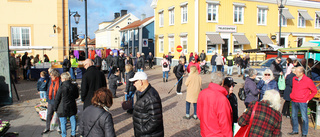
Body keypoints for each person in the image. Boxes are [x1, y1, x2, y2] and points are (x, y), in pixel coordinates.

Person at [197, 71, 233, 136]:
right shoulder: (222, 99)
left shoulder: (202, 93)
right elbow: (225, 123)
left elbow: (199, 114)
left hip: (205, 132)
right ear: (222, 82)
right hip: (217, 134)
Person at [129, 72, 164, 136]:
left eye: (135, 81)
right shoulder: (141, 93)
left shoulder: (151, 97)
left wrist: (142, 130)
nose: (133, 84)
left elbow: (155, 120)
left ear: (141, 82)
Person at [288, 66, 317, 137]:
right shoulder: (294, 79)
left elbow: (314, 91)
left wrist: (308, 99)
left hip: (303, 101)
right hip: (294, 100)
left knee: (304, 118)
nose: (295, 73)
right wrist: (292, 95)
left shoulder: (308, 80)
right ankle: (295, 130)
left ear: (301, 73)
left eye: (297, 72)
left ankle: (304, 133)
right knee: (294, 116)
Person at [54, 72, 79, 137]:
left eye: (61, 78)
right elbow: (76, 96)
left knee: (63, 122)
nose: (61, 79)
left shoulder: (61, 88)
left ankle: (64, 135)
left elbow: (57, 99)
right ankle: (73, 134)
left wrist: (55, 108)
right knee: (73, 120)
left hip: (62, 107)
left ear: (64, 79)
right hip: (72, 106)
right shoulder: (74, 86)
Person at [42, 69, 61, 135]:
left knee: (58, 115)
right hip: (51, 100)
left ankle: (58, 127)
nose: (51, 77)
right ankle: (47, 127)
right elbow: (48, 90)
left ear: (55, 76)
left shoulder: (60, 81)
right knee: (49, 114)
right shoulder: (51, 81)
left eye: (52, 76)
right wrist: (47, 101)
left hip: (58, 101)